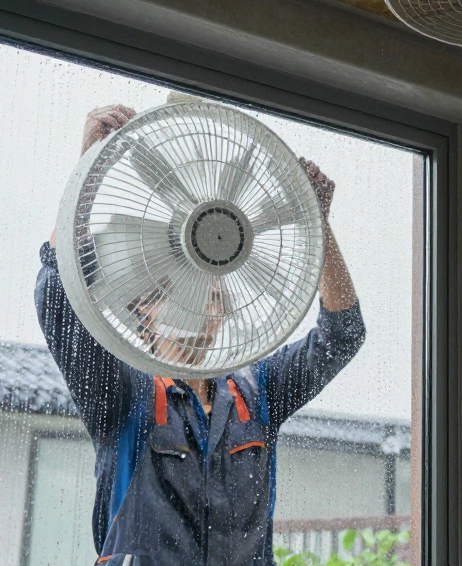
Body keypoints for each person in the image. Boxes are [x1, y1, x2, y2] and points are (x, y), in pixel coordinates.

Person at [35, 103, 365, 566]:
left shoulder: (256, 392)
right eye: (181, 282)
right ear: (143, 309)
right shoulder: (124, 394)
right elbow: (58, 295)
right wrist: (89, 171)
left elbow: (343, 335)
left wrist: (318, 225)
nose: (205, 288)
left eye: (209, 279)